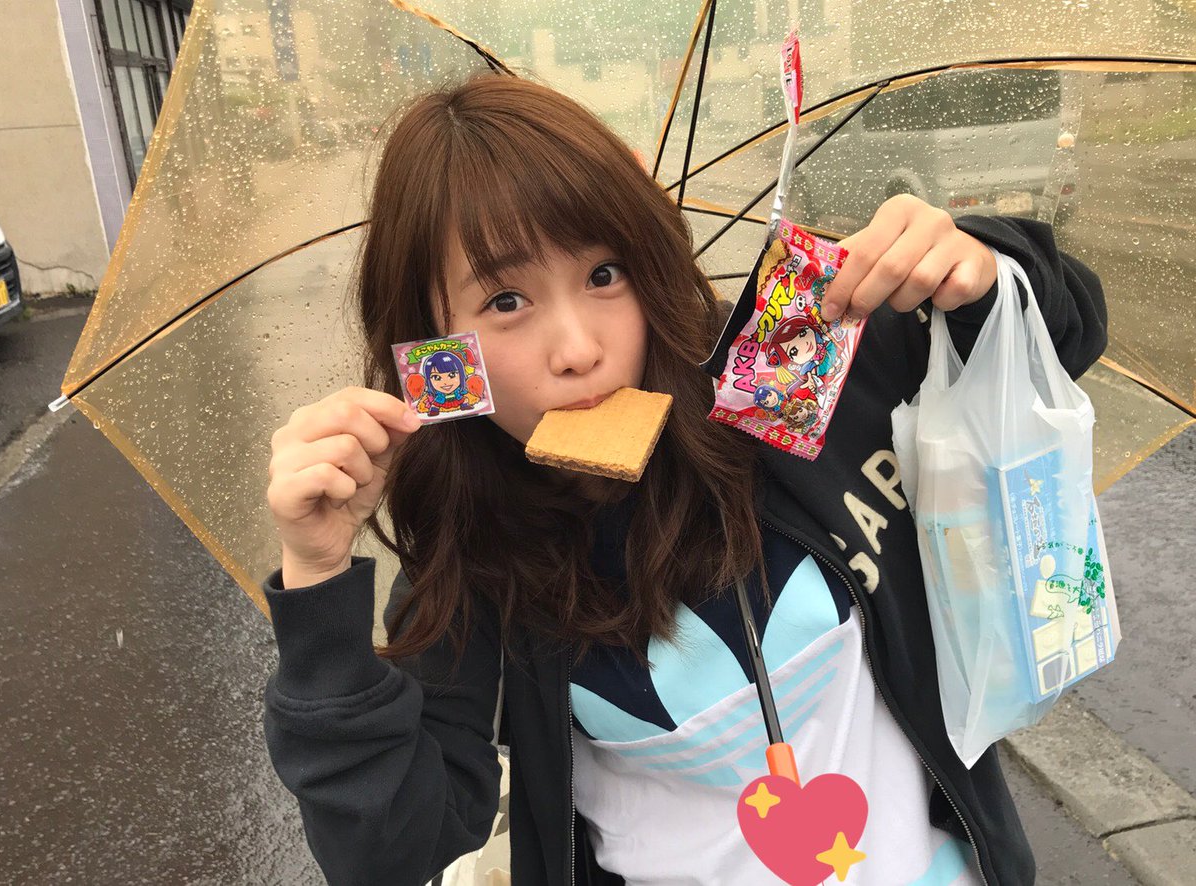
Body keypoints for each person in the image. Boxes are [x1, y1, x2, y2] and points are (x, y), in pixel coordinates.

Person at [263, 73, 1107, 886]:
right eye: (505, 302)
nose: (578, 350)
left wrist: (982, 270)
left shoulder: (784, 385)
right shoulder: (472, 562)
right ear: (435, 349)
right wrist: (316, 581)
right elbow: (388, 853)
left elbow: (1064, 335)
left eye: (603, 274)